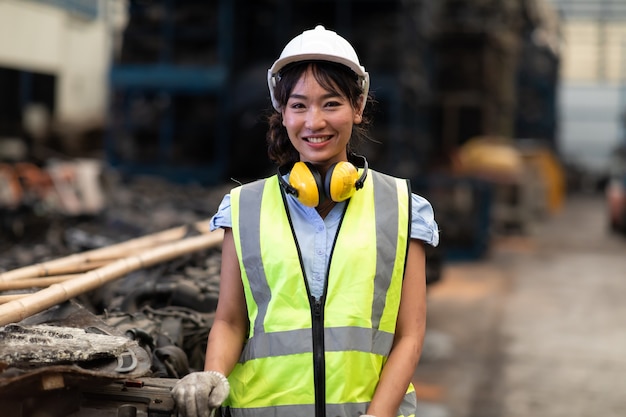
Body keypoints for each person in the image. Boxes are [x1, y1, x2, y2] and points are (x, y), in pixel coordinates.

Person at [171, 25, 439, 417]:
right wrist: (211, 375)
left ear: (358, 106)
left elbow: (409, 335)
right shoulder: (244, 208)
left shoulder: (401, 208)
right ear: (282, 111)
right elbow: (229, 321)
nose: (314, 122)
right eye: (298, 106)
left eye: (331, 104)